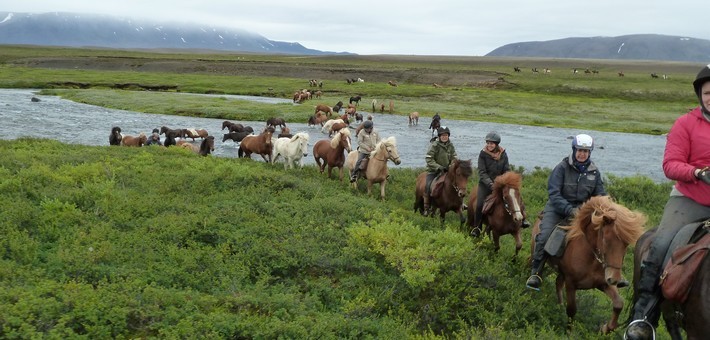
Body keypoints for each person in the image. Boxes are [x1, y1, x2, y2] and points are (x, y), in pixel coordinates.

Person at [624, 65, 710, 340]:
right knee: (662, 243)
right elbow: (671, 164)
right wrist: (697, 173)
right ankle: (644, 315)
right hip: (690, 198)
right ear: (700, 95)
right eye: (708, 92)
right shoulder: (685, 124)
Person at [525, 133, 607, 290]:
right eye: (579, 150)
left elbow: (600, 194)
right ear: (574, 150)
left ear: (590, 152)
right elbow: (554, 193)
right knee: (544, 236)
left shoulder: (594, 172)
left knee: (607, 234)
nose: (582, 154)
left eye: (585, 151)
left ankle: (611, 272)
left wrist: (605, 207)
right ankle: (536, 272)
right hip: (558, 208)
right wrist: (569, 210)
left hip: (582, 211)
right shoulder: (561, 168)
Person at [471, 131, 531, 237]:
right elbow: (482, 172)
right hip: (486, 185)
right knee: (480, 204)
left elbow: (506, 169)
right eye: (488, 143)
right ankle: (477, 228)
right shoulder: (483, 154)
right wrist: (490, 183)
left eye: (492, 143)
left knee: (517, 198)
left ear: (496, 144)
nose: (489, 145)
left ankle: (523, 220)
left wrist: (507, 181)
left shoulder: (503, 154)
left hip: (501, 185)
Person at [423, 126, 457, 216]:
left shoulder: (451, 145)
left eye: (446, 135)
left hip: (447, 171)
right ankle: (426, 207)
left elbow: (454, 157)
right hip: (434, 171)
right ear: (439, 136)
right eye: (442, 135)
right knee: (428, 185)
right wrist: (438, 167)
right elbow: (429, 159)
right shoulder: (434, 145)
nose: (444, 137)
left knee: (457, 184)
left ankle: (459, 204)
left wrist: (451, 166)